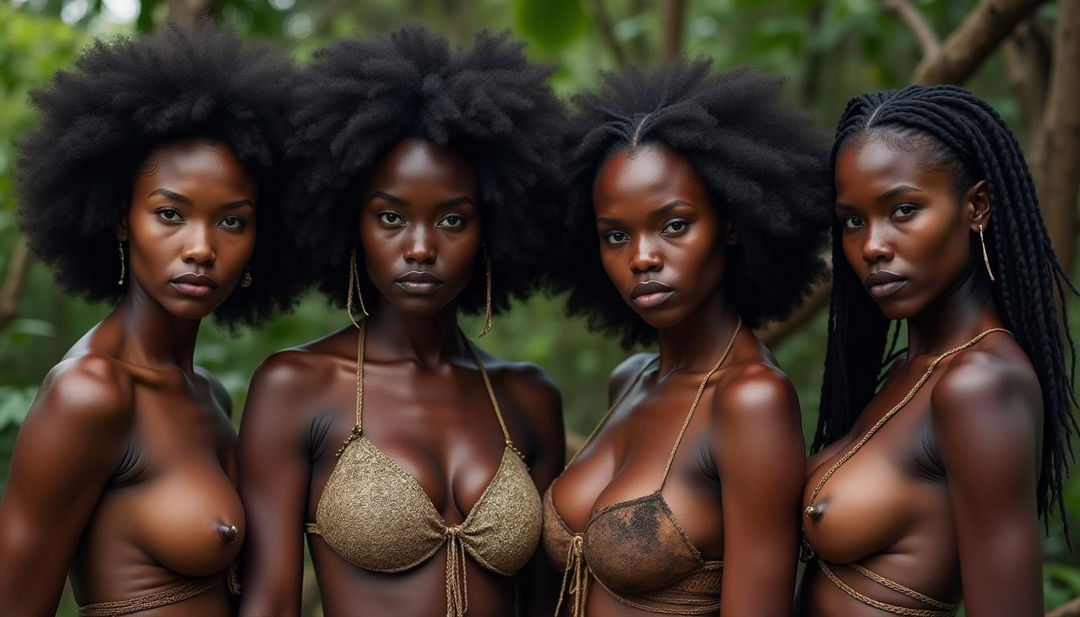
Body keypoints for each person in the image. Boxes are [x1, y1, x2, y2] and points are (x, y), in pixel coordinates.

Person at [237, 25, 567, 617]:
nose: (419, 247)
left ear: (492, 228)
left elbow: (545, 605)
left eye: (452, 220)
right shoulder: (296, 387)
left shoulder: (528, 398)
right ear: (351, 227)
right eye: (391, 218)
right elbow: (269, 601)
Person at [0, 24, 300, 617]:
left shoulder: (208, 395)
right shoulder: (91, 394)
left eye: (233, 221)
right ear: (120, 220)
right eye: (170, 214)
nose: (201, 248)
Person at [545, 60, 831, 616]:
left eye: (673, 224)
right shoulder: (630, 381)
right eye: (616, 235)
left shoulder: (751, 400)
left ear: (730, 222)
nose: (643, 257)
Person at [799, 85, 1077, 617]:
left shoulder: (979, 384)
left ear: (976, 207)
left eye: (903, 210)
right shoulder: (912, 371)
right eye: (853, 221)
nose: (872, 245)